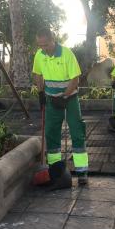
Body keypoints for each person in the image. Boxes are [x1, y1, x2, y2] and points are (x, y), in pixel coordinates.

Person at [32, 28, 89, 185]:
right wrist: (41, 92)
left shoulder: (66, 53)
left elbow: (75, 79)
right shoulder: (39, 55)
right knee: (51, 132)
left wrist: (64, 96)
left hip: (69, 98)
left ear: (53, 39)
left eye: (46, 44)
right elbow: (37, 74)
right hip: (51, 99)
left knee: (77, 132)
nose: (43, 48)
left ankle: (82, 172)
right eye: (40, 45)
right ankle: (54, 170)